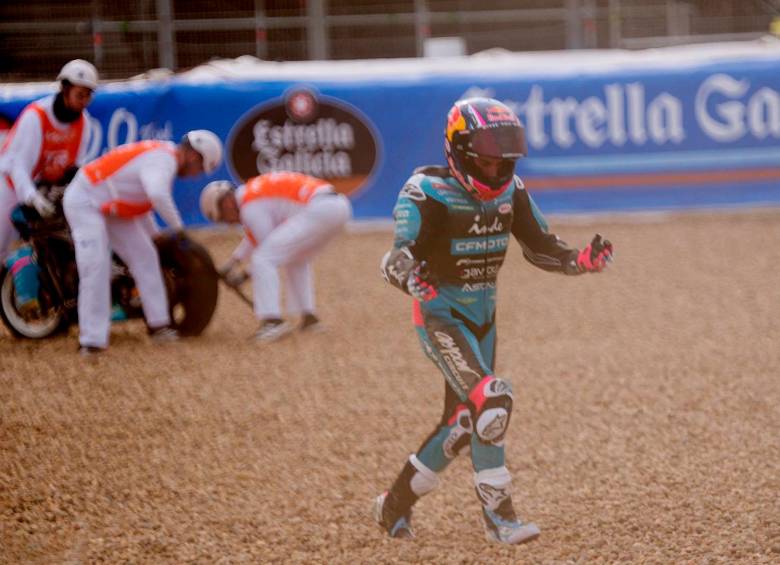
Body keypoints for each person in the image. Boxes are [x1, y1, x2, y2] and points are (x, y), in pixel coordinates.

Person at [373, 97, 613, 544]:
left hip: (485, 320)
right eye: (486, 159)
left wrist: (581, 260)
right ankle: (500, 519)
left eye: (503, 160)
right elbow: (396, 257)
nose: (496, 170)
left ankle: (393, 505)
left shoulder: (512, 190)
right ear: (460, 150)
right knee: (494, 401)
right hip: (441, 318)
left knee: (464, 422)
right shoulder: (424, 191)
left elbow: (540, 245)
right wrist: (409, 276)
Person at [62, 130, 223, 355]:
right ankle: (92, 340)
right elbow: (157, 195)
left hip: (110, 205)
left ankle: (159, 325)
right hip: (85, 200)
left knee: (146, 255)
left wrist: (154, 234)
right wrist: (179, 231)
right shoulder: (164, 160)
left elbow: (138, 197)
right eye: (200, 170)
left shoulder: (163, 155)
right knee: (97, 266)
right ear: (195, 157)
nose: (196, 175)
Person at [199, 171, 352, 341]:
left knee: (263, 259)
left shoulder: (250, 205)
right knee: (296, 259)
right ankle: (309, 319)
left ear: (225, 203)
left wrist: (243, 275)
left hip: (319, 209)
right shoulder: (252, 195)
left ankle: (272, 321)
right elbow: (257, 238)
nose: (229, 224)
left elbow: (267, 247)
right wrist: (232, 262)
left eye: (223, 219)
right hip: (338, 206)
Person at [0, 59, 97, 262]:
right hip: (10, 186)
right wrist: (31, 197)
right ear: (64, 89)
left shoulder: (84, 123)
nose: (84, 101)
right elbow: (19, 167)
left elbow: (73, 168)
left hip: (43, 190)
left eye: (88, 96)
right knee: (3, 244)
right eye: (80, 94)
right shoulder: (36, 116)